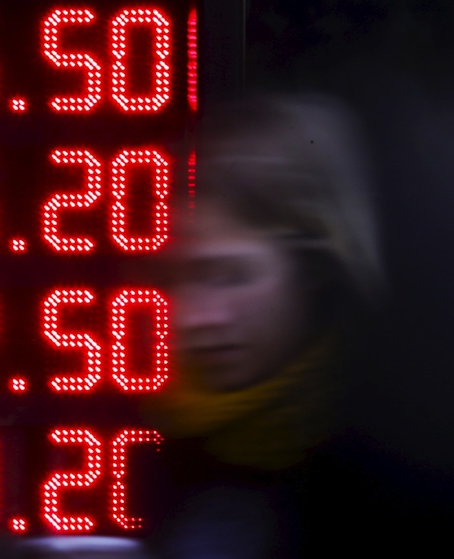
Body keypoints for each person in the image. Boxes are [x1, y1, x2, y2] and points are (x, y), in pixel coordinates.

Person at [141, 91, 385, 559]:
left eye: (230, 277)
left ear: (314, 268)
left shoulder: (390, 467)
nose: (194, 317)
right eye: (174, 279)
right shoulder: (147, 452)